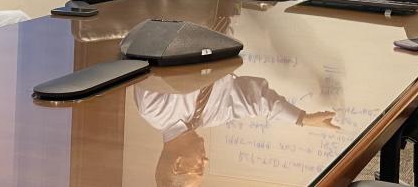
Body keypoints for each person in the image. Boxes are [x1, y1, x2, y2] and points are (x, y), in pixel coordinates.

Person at [136, 68, 338, 186]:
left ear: (178, 164)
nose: (205, 161)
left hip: (187, 10)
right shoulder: (215, 117)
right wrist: (302, 118)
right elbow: (256, 100)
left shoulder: (151, 108)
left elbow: (156, 44)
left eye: (198, 168)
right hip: (221, 12)